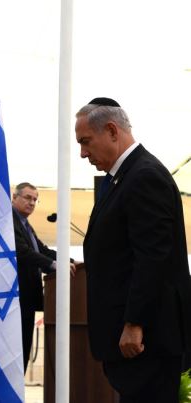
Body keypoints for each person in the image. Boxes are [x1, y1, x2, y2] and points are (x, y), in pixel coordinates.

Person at [75, 97, 191, 403]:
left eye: (86, 141)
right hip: (134, 343)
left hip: (147, 341)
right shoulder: (124, 177)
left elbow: (153, 257)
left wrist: (135, 323)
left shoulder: (144, 176)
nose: (83, 153)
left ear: (112, 131)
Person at [12, 182, 75, 373]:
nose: (32, 203)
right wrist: (55, 265)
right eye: (28, 198)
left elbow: (42, 250)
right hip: (15, 299)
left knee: (24, 349)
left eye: (35, 199)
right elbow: (22, 252)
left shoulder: (25, 224)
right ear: (14, 197)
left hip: (27, 300)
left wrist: (72, 261)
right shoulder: (9, 221)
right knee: (16, 352)